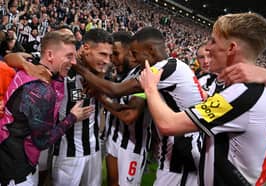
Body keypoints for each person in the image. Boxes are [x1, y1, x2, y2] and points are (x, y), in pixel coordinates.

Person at [139, 13, 266, 186]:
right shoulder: (250, 88)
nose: (207, 48)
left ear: (231, 48)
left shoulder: (243, 92)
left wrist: (150, 88)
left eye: (213, 41)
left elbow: (168, 124)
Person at [74, 27, 204, 186]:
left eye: (133, 53)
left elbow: (120, 102)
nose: (110, 60)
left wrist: (78, 68)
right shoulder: (120, 74)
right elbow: (86, 93)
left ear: (150, 50)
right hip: (109, 140)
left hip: (166, 150)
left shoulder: (156, 70)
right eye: (106, 54)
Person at [0, 31, 93, 185]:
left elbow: (11, 58)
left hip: (13, 152)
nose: (74, 61)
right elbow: (42, 142)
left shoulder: (34, 65)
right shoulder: (41, 90)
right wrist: (72, 117)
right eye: (69, 56)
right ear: (50, 55)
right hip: (18, 168)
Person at [51, 28, 113, 186]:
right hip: (69, 153)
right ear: (85, 48)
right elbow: (19, 59)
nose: (107, 60)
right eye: (102, 54)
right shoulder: (64, 68)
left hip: (94, 149)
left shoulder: (100, 74)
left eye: (109, 56)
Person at [102, 31, 152, 186]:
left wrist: (100, 97)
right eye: (110, 56)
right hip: (113, 137)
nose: (112, 60)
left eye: (116, 54)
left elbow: (129, 115)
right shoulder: (119, 75)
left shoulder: (143, 75)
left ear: (130, 52)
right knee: (112, 182)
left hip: (132, 146)